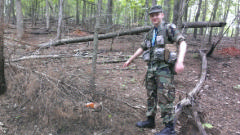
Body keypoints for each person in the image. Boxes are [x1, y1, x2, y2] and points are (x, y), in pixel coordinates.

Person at [122, 5, 187, 135]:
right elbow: (142, 48)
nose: (154, 17)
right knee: (151, 95)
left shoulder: (169, 28)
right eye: (152, 15)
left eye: (157, 14)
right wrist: (130, 59)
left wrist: (180, 61)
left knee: (165, 97)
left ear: (162, 15)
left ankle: (170, 128)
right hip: (152, 69)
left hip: (164, 70)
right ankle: (150, 120)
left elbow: (182, 42)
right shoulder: (151, 32)